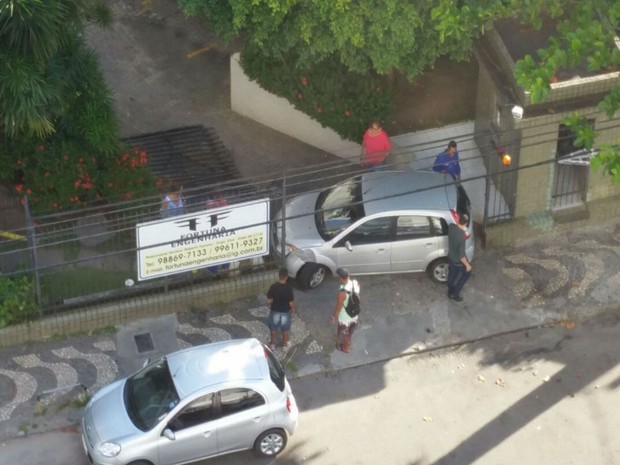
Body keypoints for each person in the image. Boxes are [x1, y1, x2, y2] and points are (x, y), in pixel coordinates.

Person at [330, 267, 360, 353]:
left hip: (345, 318)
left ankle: (345, 348)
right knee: (350, 331)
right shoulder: (355, 283)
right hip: (354, 314)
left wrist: (334, 317)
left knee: (345, 334)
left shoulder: (342, 292)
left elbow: (338, 307)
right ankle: (345, 339)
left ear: (341, 278)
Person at [266, 268, 296, 350]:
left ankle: (272, 344)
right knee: (285, 329)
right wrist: (293, 309)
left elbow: (268, 301)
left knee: (273, 328)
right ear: (286, 277)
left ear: (279, 276)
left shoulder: (273, 287)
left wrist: (272, 305)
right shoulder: (289, 288)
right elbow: (291, 303)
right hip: (285, 312)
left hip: (275, 311)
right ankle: (285, 345)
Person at [446, 213, 472, 302]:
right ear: (466, 223)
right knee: (467, 274)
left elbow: (456, 224)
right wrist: (467, 265)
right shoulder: (462, 237)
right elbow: (462, 257)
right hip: (458, 261)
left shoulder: (451, 227)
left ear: (458, 220)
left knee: (452, 274)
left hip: (450, 257)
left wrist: (464, 228)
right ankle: (455, 293)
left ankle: (450, 291)